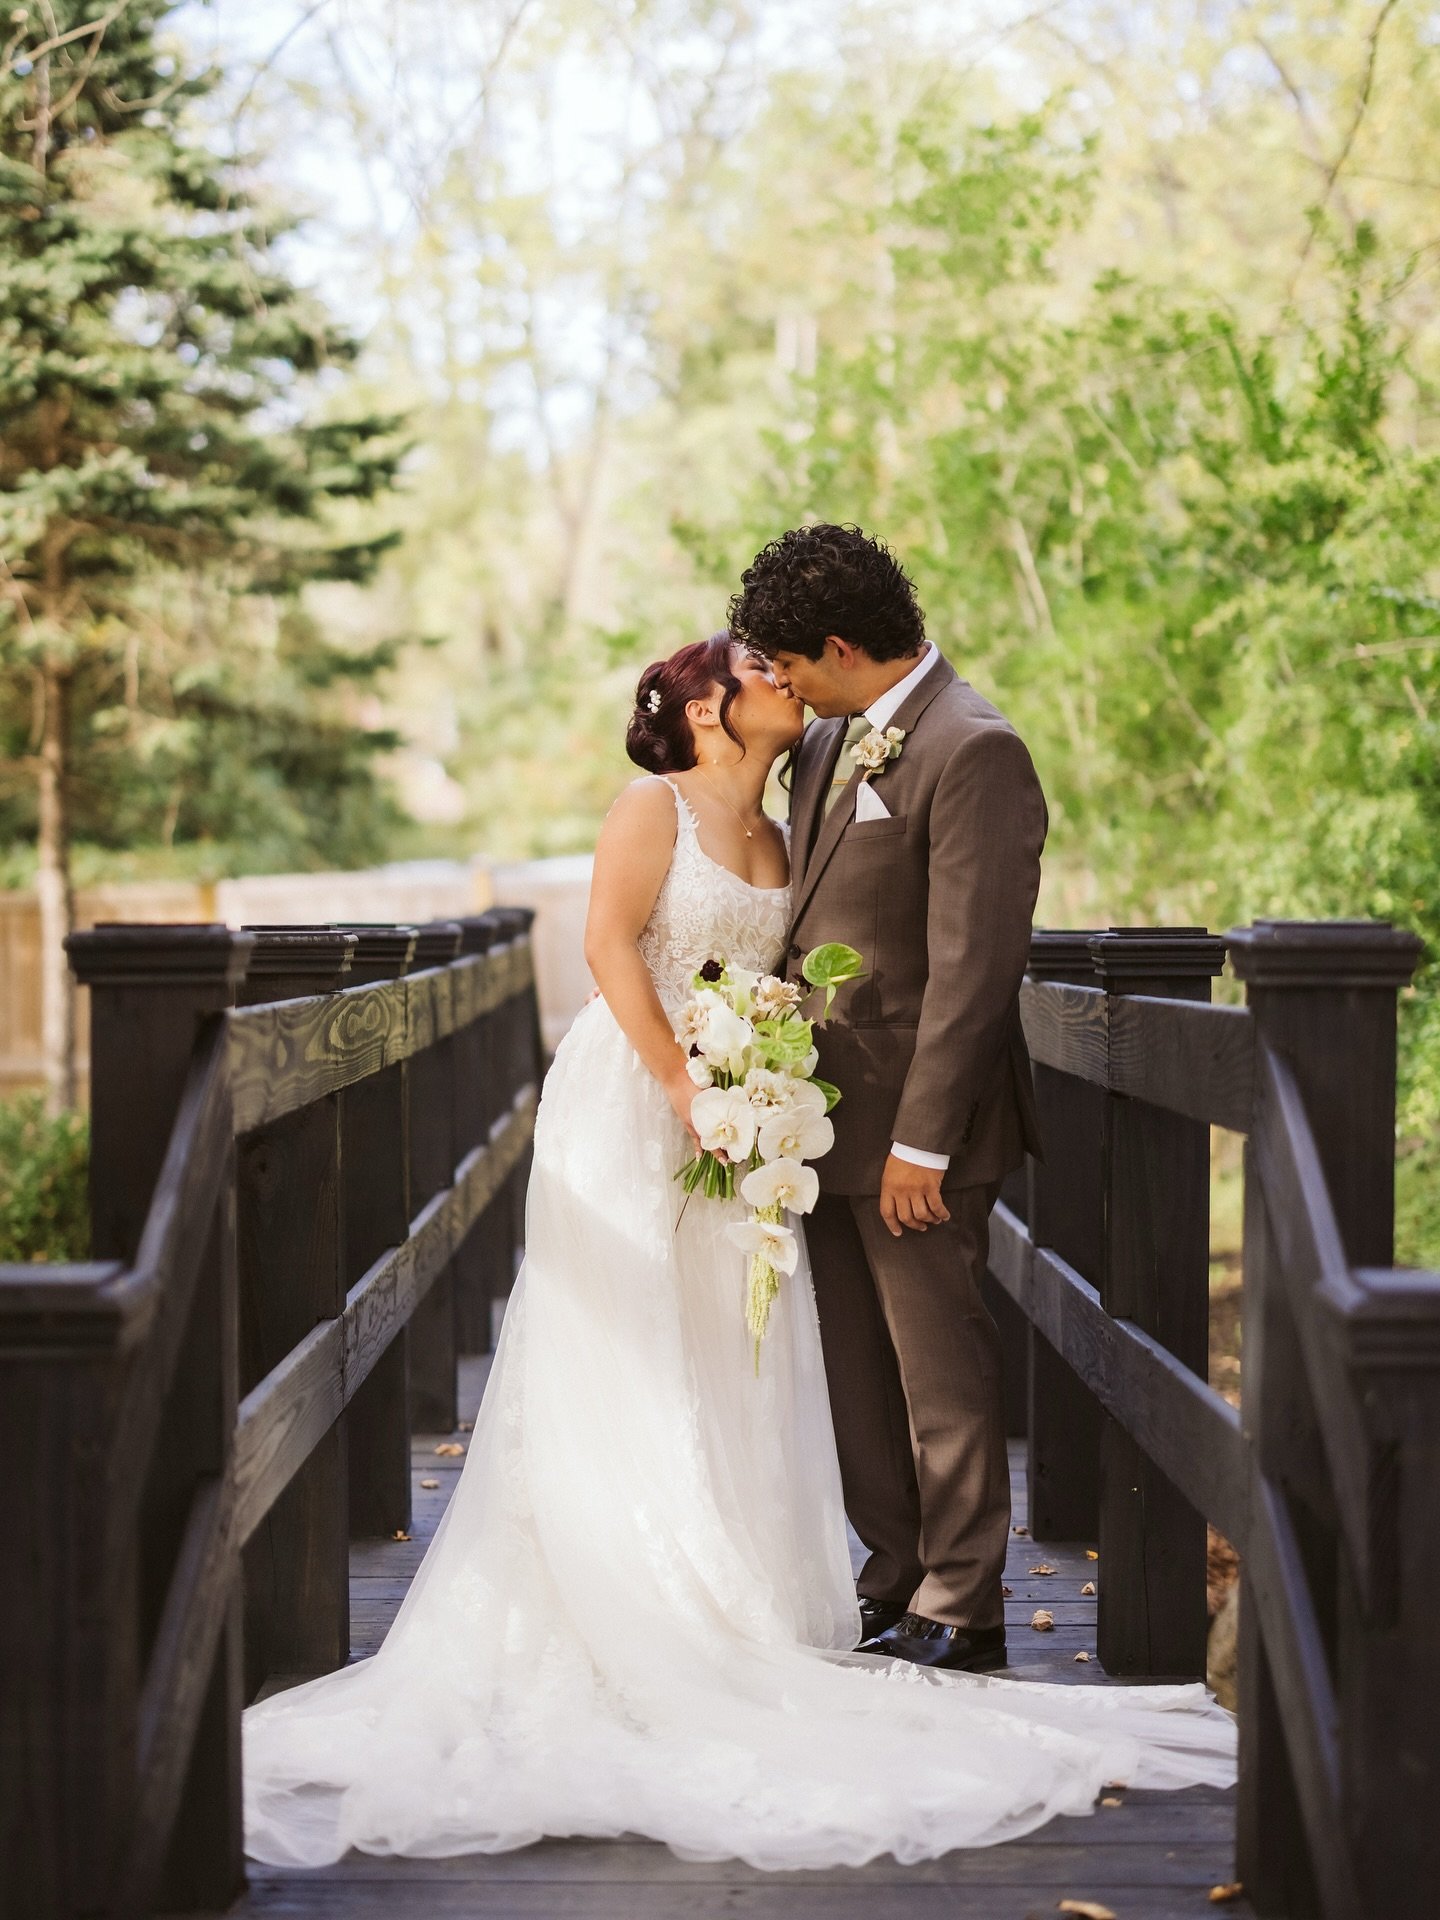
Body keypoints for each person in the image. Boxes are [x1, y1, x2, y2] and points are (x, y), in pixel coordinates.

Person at [242, 628, 1234, 1874]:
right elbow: (609, 953)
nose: (780, 685)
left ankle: (741, 1595)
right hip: (636, 1104)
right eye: (754, 674)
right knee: (629, 1340)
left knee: (735, 1339)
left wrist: (753, 1082)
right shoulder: (648, 808)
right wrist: (685, 1087)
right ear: (703, 709)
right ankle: (631, 1600)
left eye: (784, 667)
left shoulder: (792, 803)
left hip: (752, 1114)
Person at [727, 522, 1043, 1672]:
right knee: (858, 1368)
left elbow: (974, 968)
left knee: (938, 1367)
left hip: (920, 1131)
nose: (780, 686)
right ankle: (895, 1569)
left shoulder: (974, 749)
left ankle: (966, 1597)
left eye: (788, 664)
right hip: (818, 1120)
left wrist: (926, 1142)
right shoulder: (822, 749)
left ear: (842, 646)